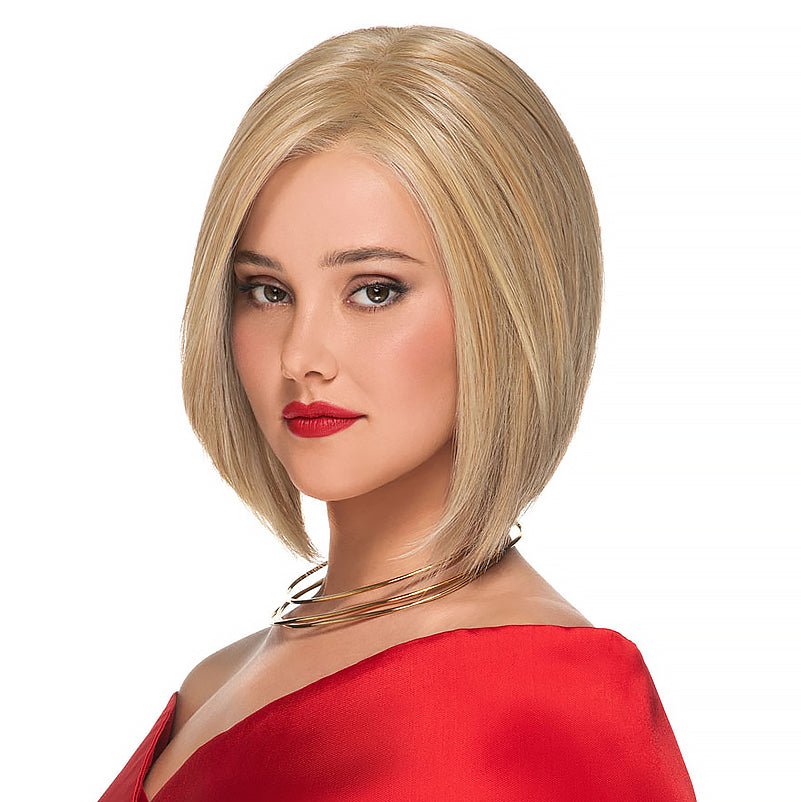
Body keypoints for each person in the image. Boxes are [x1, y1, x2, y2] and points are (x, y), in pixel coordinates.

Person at [98, 24, 697, 802]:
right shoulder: (216, 680)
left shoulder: (543, 704)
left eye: (374, 291)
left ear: (507, 305)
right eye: (266, 291)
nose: (300, 356)